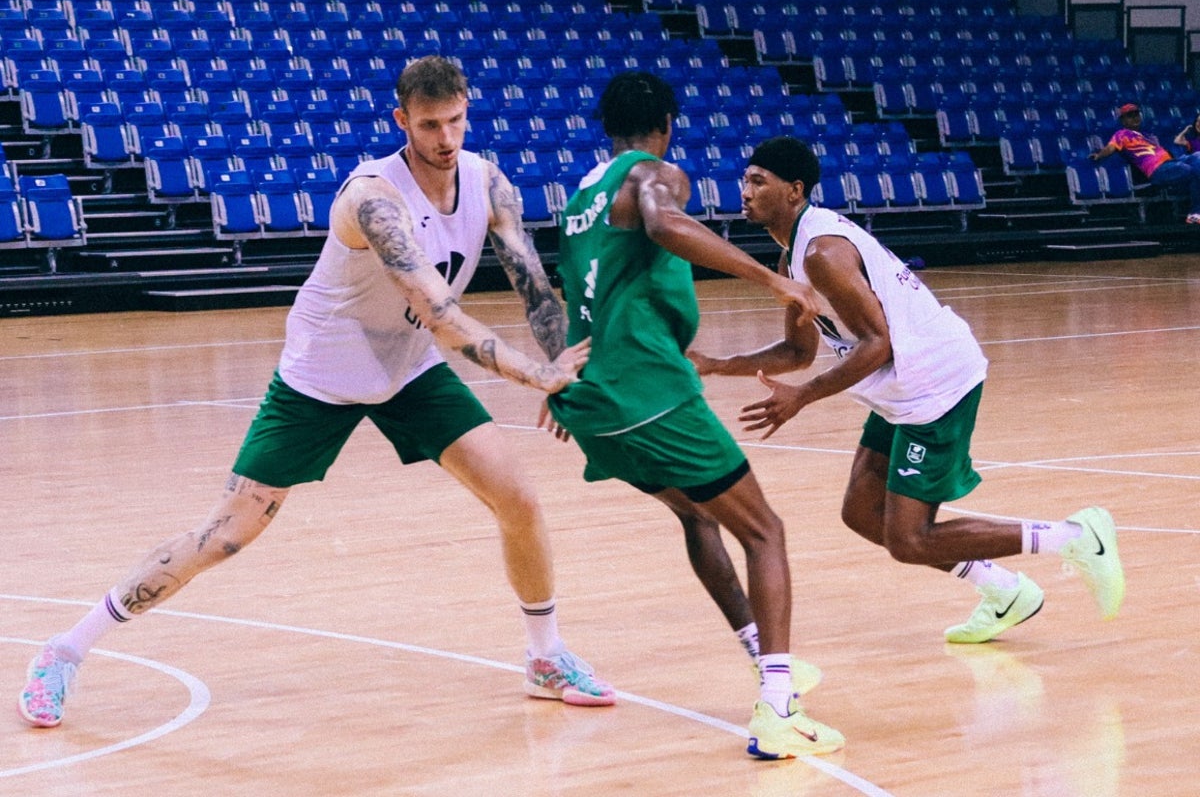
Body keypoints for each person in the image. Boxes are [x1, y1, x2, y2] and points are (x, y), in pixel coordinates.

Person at [18, 56, 615, 729]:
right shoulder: (372, 199)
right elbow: (443, 314)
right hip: (323, 372)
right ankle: (64, 651)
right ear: (402, 122)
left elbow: (533, 288)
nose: (446, 138)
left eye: (455, 121)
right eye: (429, 125)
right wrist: (534, 376)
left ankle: (544, 654)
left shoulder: (487, 182)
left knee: (518, 496)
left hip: (407, 369)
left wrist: (562, 368)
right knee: (226, 535)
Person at [688, 135, 1127, 648]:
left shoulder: (823, 253)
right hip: (899, 389)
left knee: (909, 538)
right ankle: (1005, 592)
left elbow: (879, 343)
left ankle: (1076, 538)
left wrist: (801, 397)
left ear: (794, 190)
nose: (744, 190)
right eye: (745, 180)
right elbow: (798, 351)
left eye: (757, 181)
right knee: (860, 512)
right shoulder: (793, 259)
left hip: (934, 384)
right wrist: (718, 364)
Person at [542, 71, 844, 759]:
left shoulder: (580, 198)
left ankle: (760, 651)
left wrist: (560, 376)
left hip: (592, 399)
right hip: (650, 391)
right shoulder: (654, 173)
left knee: (698, 514)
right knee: (765, 531)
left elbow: (575, 297)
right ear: (668, 123)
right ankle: (777, 705)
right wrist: (773, 278)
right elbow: (665, 222)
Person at [1090, 102, 1200, 224]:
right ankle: (1195, 213)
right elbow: (1110, 148)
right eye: (1130, 115)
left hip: (1171, 162)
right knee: (1188, 170)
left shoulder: (1147, 135)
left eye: (1136, 114)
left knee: (1197, 157)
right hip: (1157, 170)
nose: (1135, 117)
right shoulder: (1121, 134)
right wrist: (1099, 155)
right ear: (1123, 120)